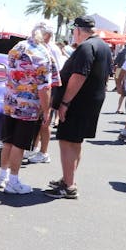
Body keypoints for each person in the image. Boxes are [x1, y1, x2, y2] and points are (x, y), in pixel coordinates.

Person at [45, 16, 112, 199]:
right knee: (75, 142)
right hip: (91, 101)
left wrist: (65, 103)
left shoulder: (86, 47)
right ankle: (68, 179)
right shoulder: (103, 46)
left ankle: (69, 186)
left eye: (73, 31)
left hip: (78, 102)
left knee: (66, 141)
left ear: (77, 30)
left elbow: (79, 76)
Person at [0, 22, 58, 194]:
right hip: (27, 107)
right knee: (19, 144)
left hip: (10, 102)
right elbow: (44, 87)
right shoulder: (42, 53)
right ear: (48, 36)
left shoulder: (18, 46)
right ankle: (13, 181)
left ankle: (2, 176)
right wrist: (46, 110)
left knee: (8, 141)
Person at [27, 20, 65, 164]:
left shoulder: (52, 49)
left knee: (45, 121)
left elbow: (57, 72)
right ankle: (34, 148)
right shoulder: (37, 47)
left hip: (50, 88)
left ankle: (44, 152)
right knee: (37, 120)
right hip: (37, 89)